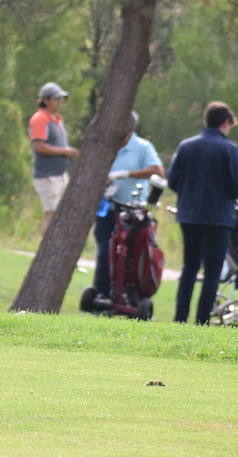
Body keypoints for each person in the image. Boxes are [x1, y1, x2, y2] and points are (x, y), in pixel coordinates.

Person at [166, 101, 238, 324]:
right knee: (213, 272)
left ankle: (180, 317)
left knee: (189, 268)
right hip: (218, 218)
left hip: (190, 215)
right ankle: (201, 320)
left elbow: (173, 180)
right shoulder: (230, 150)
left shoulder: (186, 146)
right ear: (225, 123)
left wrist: (189, 194)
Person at [91, 111, 164, 298]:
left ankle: (129, 294)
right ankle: (102, 293)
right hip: (108, 208)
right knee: (105, 252)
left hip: (133, 213)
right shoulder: (107, 144)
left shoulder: (142, 147)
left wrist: (127, 174)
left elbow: (157, 170)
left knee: (132, 255)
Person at [29, 82, 78, 235]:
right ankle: (46, 251)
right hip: (47, 176)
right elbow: (39, 146)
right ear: (46, 100)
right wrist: (64, 151)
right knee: (51, 214)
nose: (60, 102)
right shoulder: (39, 119)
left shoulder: (56, 119)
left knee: (60, 214)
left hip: (60, 175)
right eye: (57, 99)